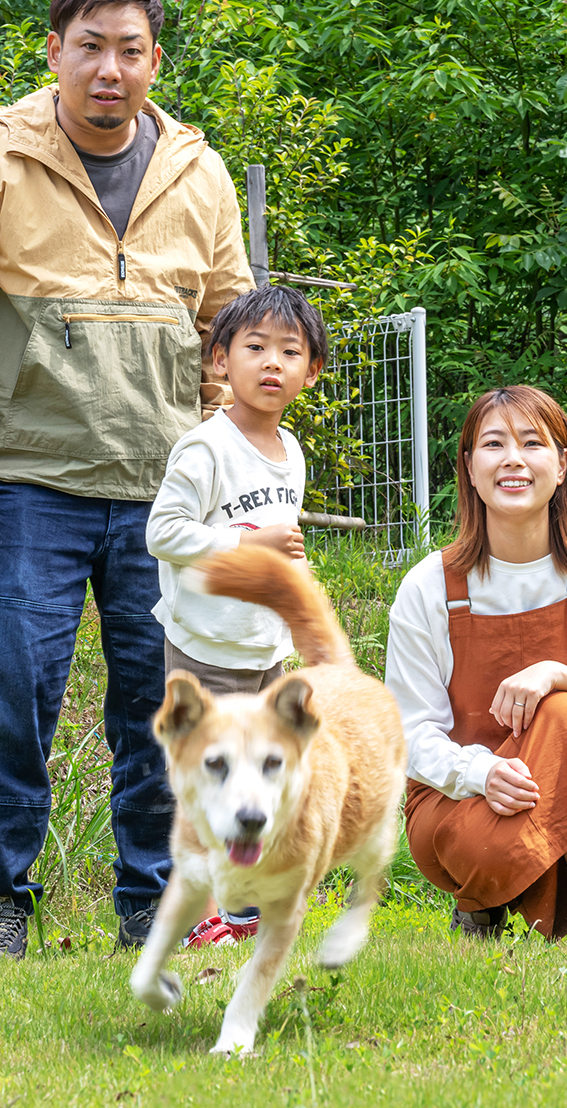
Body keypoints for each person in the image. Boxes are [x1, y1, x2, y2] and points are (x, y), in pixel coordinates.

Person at [0, 0, 254, 958]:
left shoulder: (199, 173)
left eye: (129, 50)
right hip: (22, 486)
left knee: (165, 711)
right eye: (91, 47)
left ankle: (158, 903)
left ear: (152, 61)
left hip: (166, 493)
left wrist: (239, 467)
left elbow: (232, 326)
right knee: (10, 700)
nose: (110, 69)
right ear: (54, 50)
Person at [385, 386, 567, 943]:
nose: (513, 458)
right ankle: (480, 895)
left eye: (532, 442)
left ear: (562, 465)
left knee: (564, 714)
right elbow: (406, 734)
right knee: (491, 820)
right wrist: (480, 773)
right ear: (468, 467)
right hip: (463, 811)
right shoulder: (429, 587)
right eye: (493, 444)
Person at [145, 284, 326, 949]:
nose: (272, 363)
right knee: (211, 776)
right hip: (203, 646)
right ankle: (212, 912)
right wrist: (244, 544)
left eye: (290, 352)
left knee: (265, 776)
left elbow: (280, 543)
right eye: (255, 348)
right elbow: (162, 531)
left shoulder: (293, 453)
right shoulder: (205, 448)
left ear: (311, 371)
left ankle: (246, 906)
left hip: (262, 646)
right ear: (220, 361)